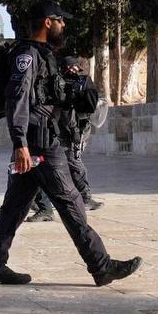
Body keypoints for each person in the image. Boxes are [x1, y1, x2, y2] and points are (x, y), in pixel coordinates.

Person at [0, 0, 141, 288]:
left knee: (14, 207)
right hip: (39, 144)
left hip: (38, 142)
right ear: (47, 22)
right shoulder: (27, 55)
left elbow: (44, 95)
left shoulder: (45, 55)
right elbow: (18, 97)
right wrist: (20, 143)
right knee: (71, 203)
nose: (63, 25)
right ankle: (101, 266)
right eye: (60, 20)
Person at [61, 56, 104, 211]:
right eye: (69, 67)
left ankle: (84, 197)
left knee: (74, 161)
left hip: (77, 130)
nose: (72, 71)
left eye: (75, 68)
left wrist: (76, 97)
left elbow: (91, 105)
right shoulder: (57, 83)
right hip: (59, 130)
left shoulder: (84, 82)